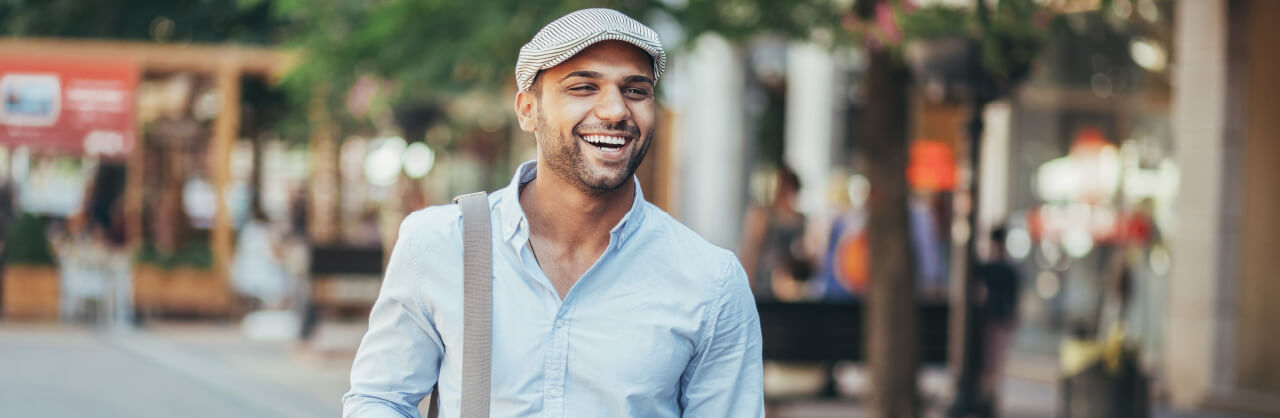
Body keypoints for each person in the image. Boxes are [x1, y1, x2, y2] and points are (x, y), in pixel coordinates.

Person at [343, 9, 763, 418]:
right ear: (528, 109)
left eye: (635, 90)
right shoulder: (438, 244)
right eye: (583, 87)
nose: (615, 111)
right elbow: (380, 398)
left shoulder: (711, 283)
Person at [738, 165, 809, 300]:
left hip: (789, 287)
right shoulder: (763, 216)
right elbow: (751, 251)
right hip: (763, 285)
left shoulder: (800, 220)